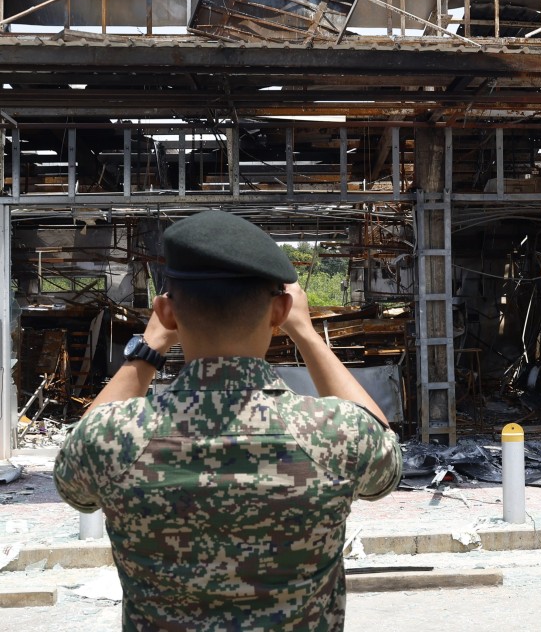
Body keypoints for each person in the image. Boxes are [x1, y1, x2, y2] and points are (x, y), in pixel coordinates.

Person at [54, 210, 402, 631]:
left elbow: (75, 471)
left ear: (166, 313)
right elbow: (386, 467)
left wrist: (150, 348)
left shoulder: (113, 437)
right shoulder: (336, 432)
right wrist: (307, 334)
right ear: (280, 311)